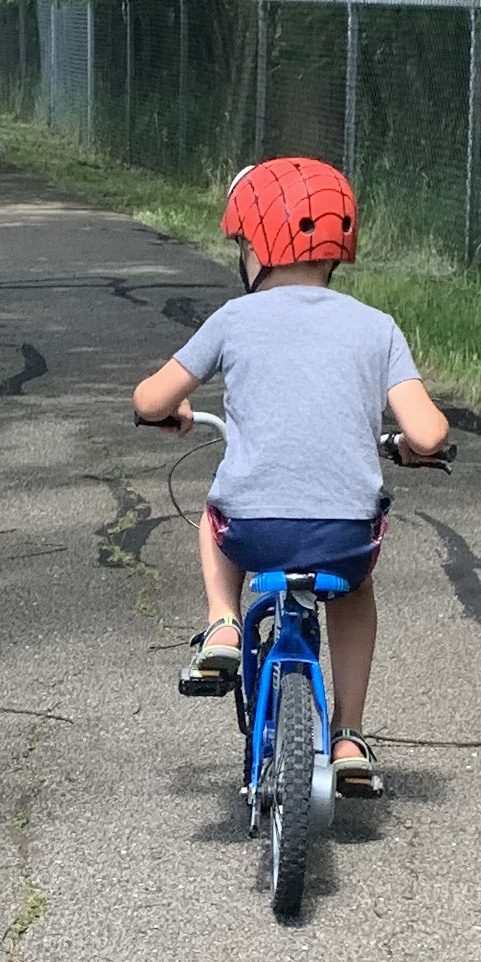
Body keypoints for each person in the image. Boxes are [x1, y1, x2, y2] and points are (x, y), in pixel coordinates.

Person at [129, 154, 449, 796]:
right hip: (344, 539)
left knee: (214, 519)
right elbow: (428, 434)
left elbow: (148, 400)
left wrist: (175, 414)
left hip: (253, 531)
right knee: (354, 593)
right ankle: (351, 737)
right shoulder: (376, 327)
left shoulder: (232, 319)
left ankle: (222, 622)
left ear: (256, 247)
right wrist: (410, 451)